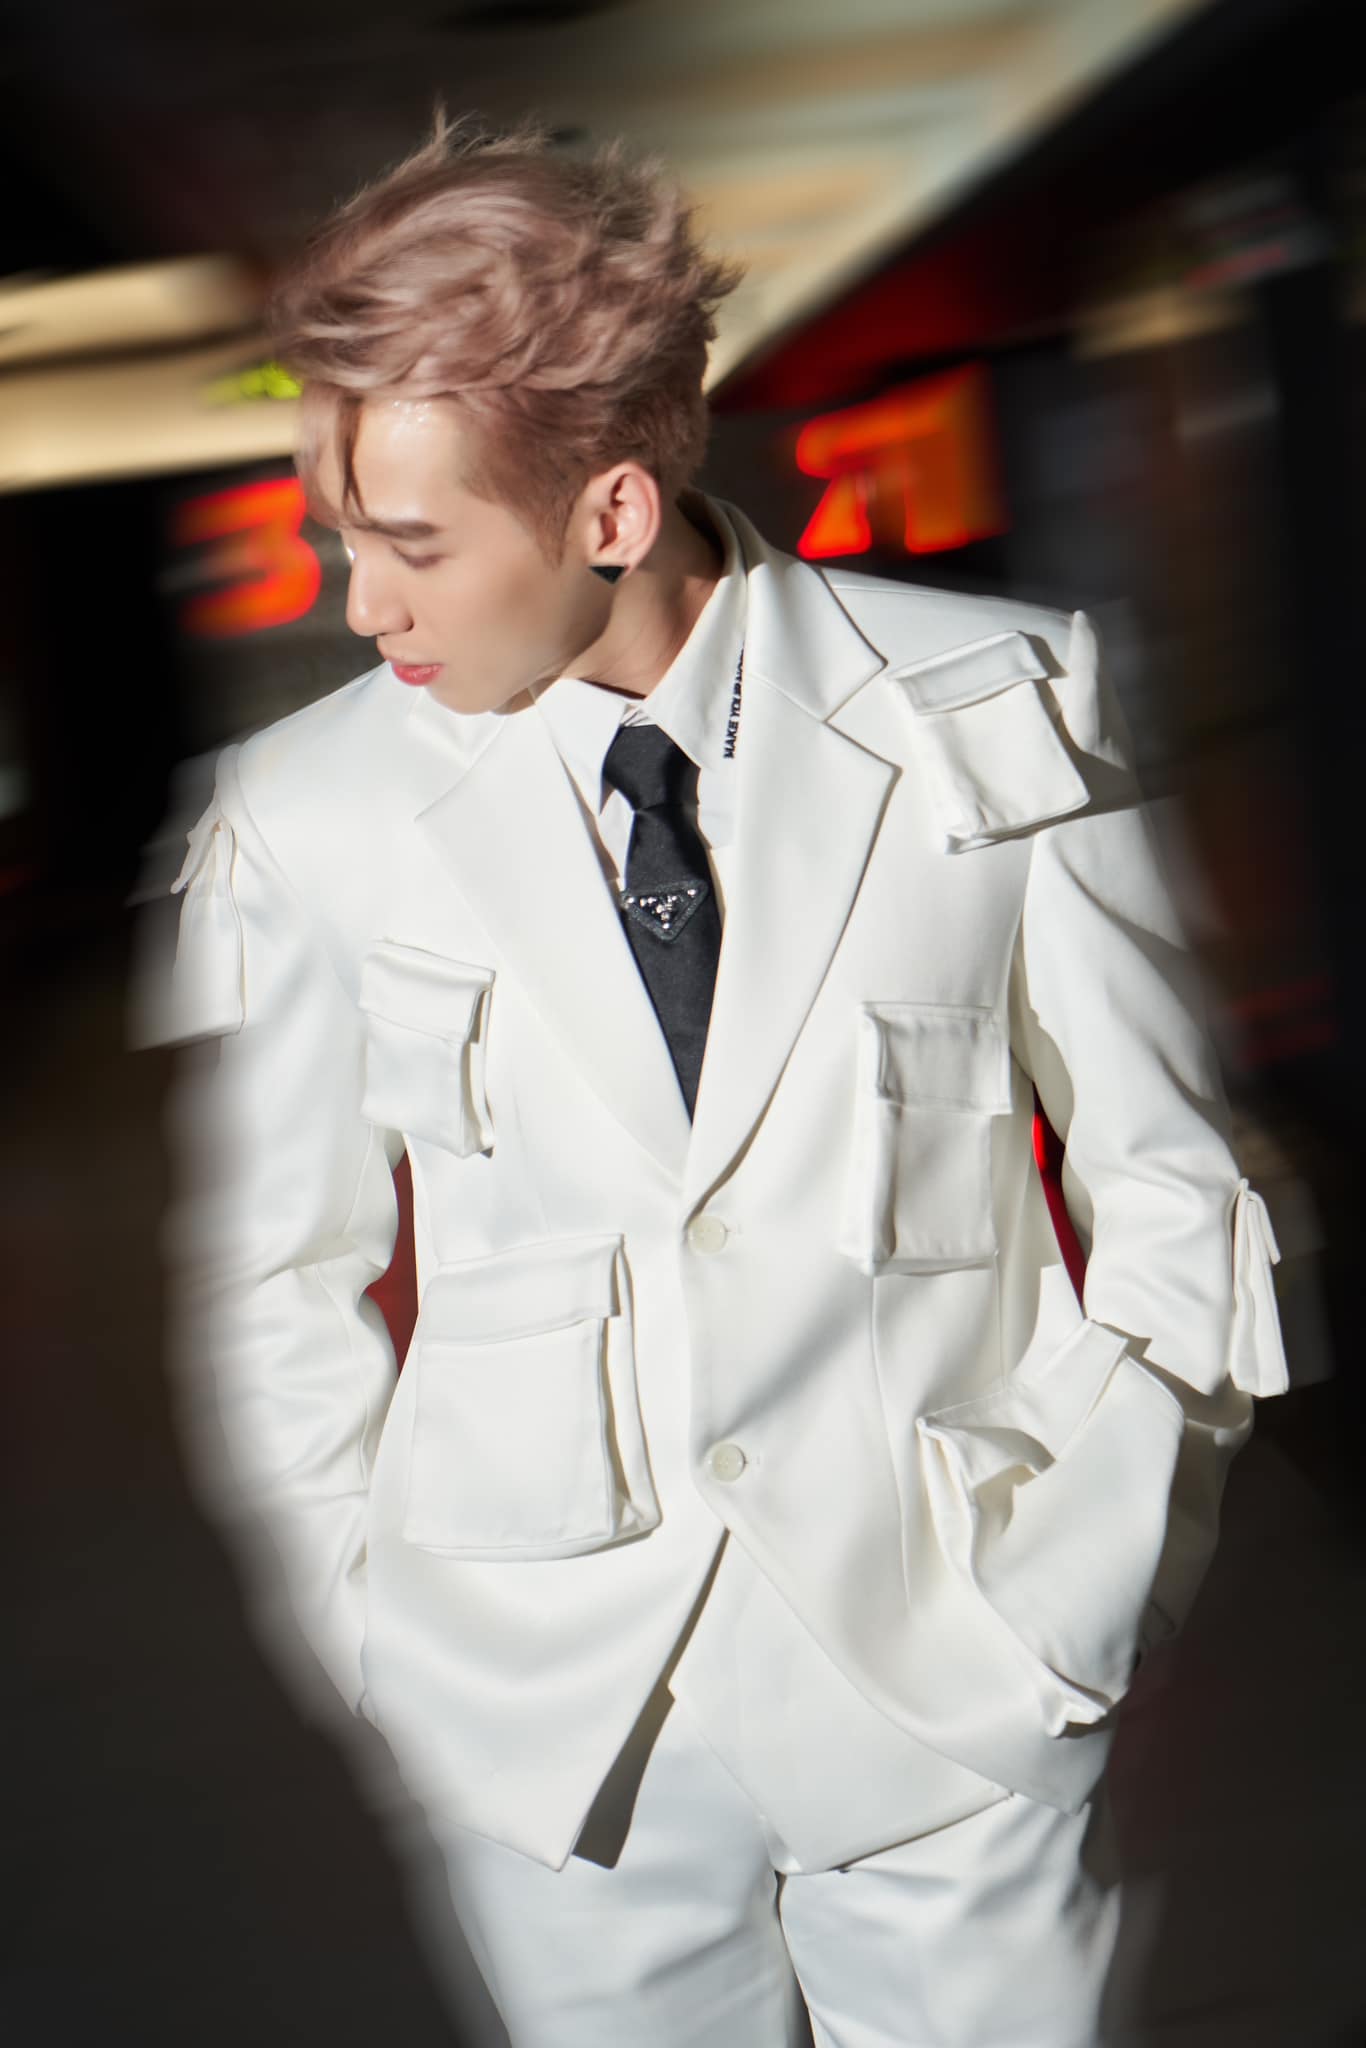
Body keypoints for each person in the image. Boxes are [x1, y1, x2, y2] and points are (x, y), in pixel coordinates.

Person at [157, 119, 1289, 2048]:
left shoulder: (1005, 704)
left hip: (956, 1681)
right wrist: (388, 1645)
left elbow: (1177, 1184)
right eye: (342, 537)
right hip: (552, 1736)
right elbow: (276, 1279)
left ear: (608, 512)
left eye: (412, 546)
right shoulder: (304, 811)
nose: (361, 607)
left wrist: (1085, 1580)